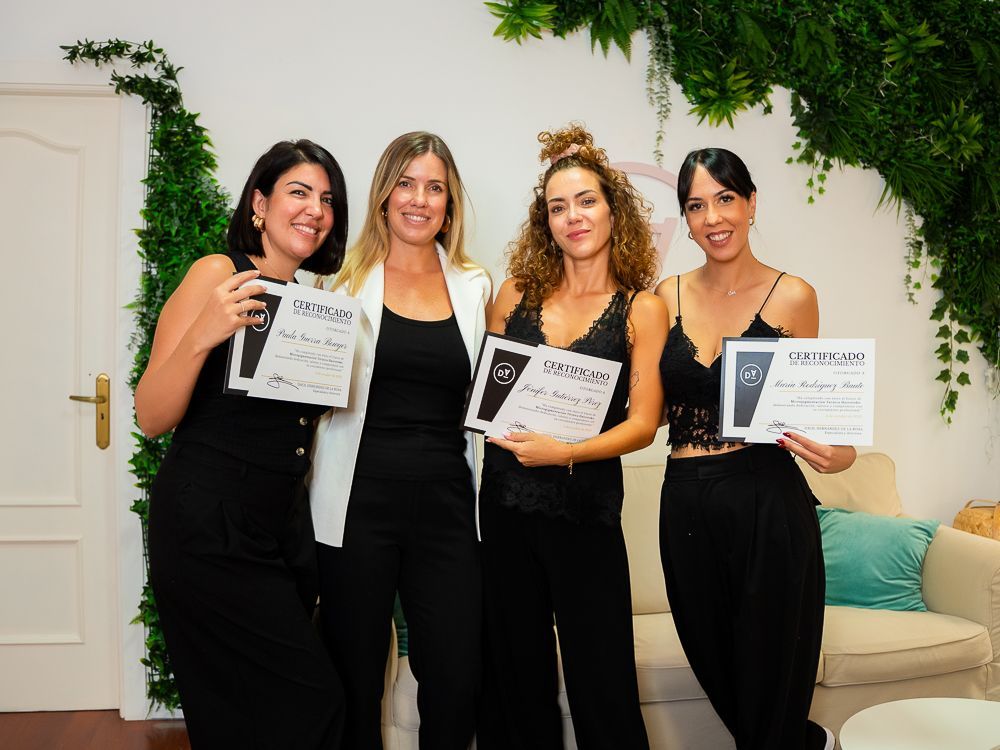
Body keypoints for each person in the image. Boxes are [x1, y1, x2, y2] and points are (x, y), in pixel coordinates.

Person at [137, 139, 349, 749]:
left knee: (256, 718)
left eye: (327, 199)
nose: (315, 210)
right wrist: (205, 333)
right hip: (210, 520)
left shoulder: (313, 305)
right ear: (260, 203)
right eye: (299, 192)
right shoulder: (217, 273)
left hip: (281, 524)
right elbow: (150, 414)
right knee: (308, 704)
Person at [656, 147, 857, 750]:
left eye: (725, 199)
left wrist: (839, 455)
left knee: (771, 684)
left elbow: (817, 414)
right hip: (684, 502)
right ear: (686, 219)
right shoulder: (665, 296)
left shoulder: (793, 296)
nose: (713, 217)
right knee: (720, 670)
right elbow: (646, 408)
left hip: (767, 499)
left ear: (750, 204)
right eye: (697, 206)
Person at [476, 125, 667, 750]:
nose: (573, 217)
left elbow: (643, 424)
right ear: (545, 222)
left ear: (614, 210)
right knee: (515, 673)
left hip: (586, 511)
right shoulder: (513, 295)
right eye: (558, 207)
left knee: (602, 678)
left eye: (586, 201)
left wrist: (567, 453)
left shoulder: (641, 308)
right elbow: (488, 397)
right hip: (504, 507)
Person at [309, 132, 491, 750]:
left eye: (434, 187)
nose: (419, 199)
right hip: (356, 505)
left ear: (449, 203)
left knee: (456, 675)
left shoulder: (475, 285)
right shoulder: (338, 283)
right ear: (384, 195)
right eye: (406, 184)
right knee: (354, 676)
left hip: (447, 506)